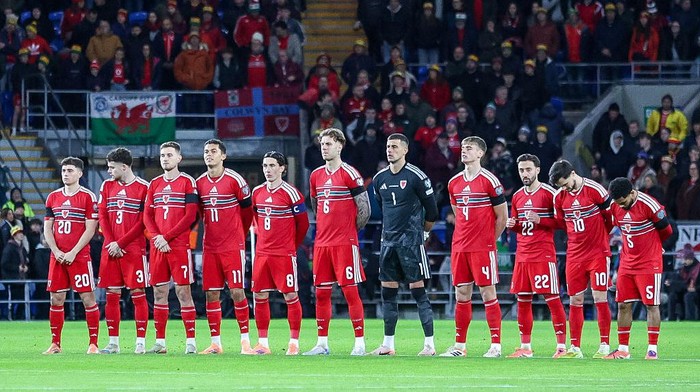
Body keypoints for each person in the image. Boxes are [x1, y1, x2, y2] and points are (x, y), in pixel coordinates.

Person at [370, 133, 439, 356]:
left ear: (405, 150)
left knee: (418, 292)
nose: (390, 150)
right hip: (388, 243)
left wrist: (424, 233)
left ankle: (429, 345)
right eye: (388, 146)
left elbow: (433, 211)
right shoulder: (379, 178)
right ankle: (388, 345)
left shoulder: (417, 176)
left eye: (395, 147)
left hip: (411, 242)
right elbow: (383, 206)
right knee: (388, 294)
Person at [304, 128, 371, 356]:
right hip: (322, 244)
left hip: (345, 243)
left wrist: (349, 231)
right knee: (321, 293)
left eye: (329, 144)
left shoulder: (350, 174)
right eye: (322, 144)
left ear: (340, 146)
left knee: (350, 292)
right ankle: (322, 343)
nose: (324, 147)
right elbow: (315, 206)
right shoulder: (315, 176)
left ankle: (359, 343)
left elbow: (364, 209)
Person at [440, 136, 508, 358]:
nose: (464, 151)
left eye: (469, 148)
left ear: (481, 153)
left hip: (482, 247)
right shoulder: (453, 183)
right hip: (460, 247)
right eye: (463, 148)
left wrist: (489, 240)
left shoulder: (490, 181)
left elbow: (502, 217)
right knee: (461, 294)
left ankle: (495, 346)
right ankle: (460, 346)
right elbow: (458, 213)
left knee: (488, 292)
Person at [549, 159, 613, 359]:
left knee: (599, 298)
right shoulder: (559, 197)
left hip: (597, 254)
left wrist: (601, 239)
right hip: (575, 255)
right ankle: (575, 347)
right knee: (575, 299)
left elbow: (610, 218)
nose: (564, 188)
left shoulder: (596, 190)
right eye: (560, 186)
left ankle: (604, 345)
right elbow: (561, 222)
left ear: (573, 174)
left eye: (565, 183)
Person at [506, 154, 568, 358]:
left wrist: (541, 219)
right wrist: (513, 226)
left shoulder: (551, 194)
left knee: (552, 299)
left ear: (538, 170)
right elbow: (523, 227)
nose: (525, 173)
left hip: (543, 254)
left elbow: (562, 223)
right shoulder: (517, 196)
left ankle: (561, 347)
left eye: (529, 169)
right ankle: (525, 347)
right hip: (523, 255)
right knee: (523, 300)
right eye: (522, 170)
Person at [604, 177, 673, 360]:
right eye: (619, 203)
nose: (622, 206)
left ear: (632, 193)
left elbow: (667, 231)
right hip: (627, 262)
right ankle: (623, 349)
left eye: (624, 202)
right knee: (623, 304)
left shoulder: (649, 204)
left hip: (649, 262)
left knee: (651, 304)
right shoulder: (615, 206)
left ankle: (652, 350)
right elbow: (619, 227)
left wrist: (656, 247)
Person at [195, 139, 254, 355]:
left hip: (232, 246)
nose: (208, 155)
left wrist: (240, 234)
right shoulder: (199, 182)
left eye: (213, 151)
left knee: (237, 291)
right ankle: (215, 343)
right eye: (206, 151)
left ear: (223, 156)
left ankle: (245, 342)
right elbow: (199, 214)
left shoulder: (235, 180)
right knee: (211, 293)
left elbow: (248, 212)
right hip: (210, 246)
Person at [250, 151, 309, 355]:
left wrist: (291, 245)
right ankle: (263, 343)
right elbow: (256, 218)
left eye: (273, 165)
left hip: (284, 253)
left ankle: (294, 342)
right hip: (262, 253)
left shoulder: (291, 193)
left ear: (282, 168)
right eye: (265, 166)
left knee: (290, 295)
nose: (268, 170)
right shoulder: (257, 192)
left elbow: (303, 224)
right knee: (259, 295)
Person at [143, 142, 199, 354]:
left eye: (169, 155)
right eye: (162, 155)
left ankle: (191, 342)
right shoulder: (154, 184)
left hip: (178, 246)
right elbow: (147, 215)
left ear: (179, 159)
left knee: (183, 292)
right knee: (159, 293)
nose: (165, 158)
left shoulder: (187, 182)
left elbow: (191, 215)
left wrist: (166, 237)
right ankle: (160, 343)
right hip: (158, 246)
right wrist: (157, 237)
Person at [42, 157, 100, 355]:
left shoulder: (88, 197)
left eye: (70, 170)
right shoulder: (53, 197)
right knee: (56, 299)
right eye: (64, 170)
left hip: (80, 256)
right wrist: (56, 251)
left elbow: (90, 229)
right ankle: (55, 343)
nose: (65, 174)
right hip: (57, 257)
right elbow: (48, 229)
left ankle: (93, 343)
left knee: (87, 298)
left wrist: (73, 251)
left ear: (80, 173)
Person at [96, 148, 150, 354]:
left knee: (138, 294)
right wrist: (111, 242)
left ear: (124, 167)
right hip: (110, 249)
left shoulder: (144, 188)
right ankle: (113, 343)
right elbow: (102, 216)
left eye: (111, 167)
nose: (109, 171)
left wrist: (122, 243)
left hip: (133, 250)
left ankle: (140, 343)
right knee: (111, 295)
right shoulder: (106, 186)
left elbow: (143, 222)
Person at [1, 225, 29, 320]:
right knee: (12, 299)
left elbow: (25, 261)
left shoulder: (22, 248)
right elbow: (4, 264)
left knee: (21, 299)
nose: (21, 235)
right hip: (11, 279)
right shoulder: (9, 248)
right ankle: (11, 316)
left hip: (20, 278)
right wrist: (17, 268)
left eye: (21, 233)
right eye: (18, 233)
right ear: (14, 235)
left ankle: (18, 316)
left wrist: (25, 267)